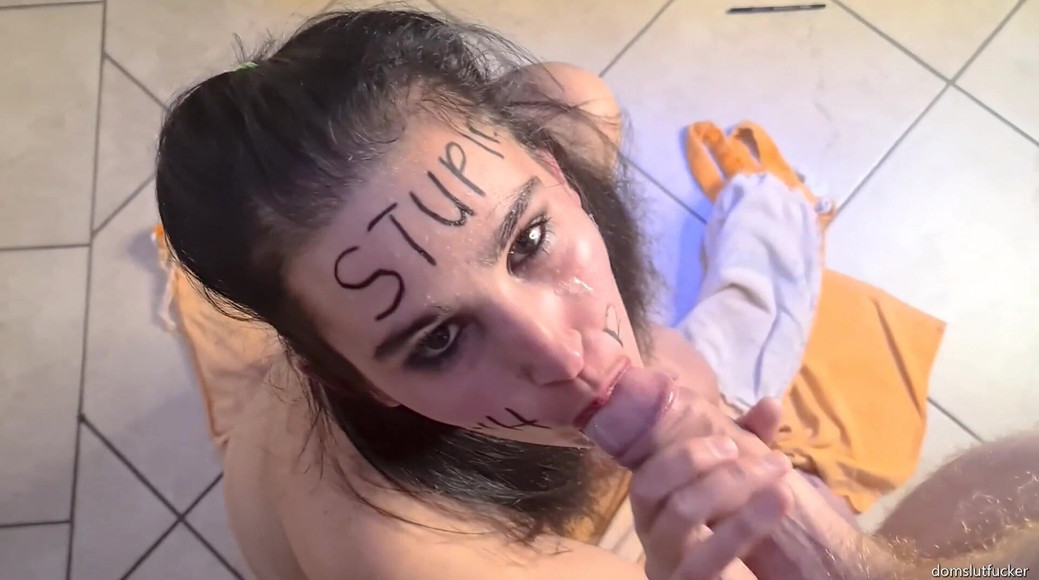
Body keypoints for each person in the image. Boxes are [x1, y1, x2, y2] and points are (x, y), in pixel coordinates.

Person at [154, 7, 1035, 579]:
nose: (562, 353)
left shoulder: (560, 135)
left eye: (528, 241)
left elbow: (565, 108)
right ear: (351, 378)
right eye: (437, 340)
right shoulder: (415, 556)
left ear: (552, 172)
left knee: (575, 94)